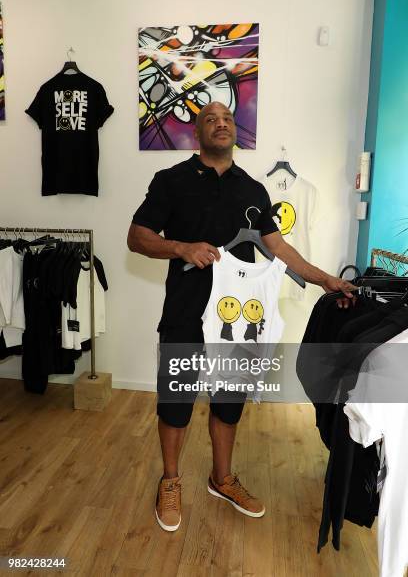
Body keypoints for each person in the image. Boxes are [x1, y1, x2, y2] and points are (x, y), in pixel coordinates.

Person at [127, 101, 355, 532]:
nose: (221, 124)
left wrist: (326, 279)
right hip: (185, 312)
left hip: (238, 320)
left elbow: (279, 247)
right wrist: (181, 247)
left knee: (229, 400)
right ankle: (170, 480)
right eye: (210, 119)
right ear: (197, 133)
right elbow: (137, 237)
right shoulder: (170, 181)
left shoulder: (253, 189)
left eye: (227, 119)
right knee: (176, 399)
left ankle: (221, 477)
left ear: (236, 131)